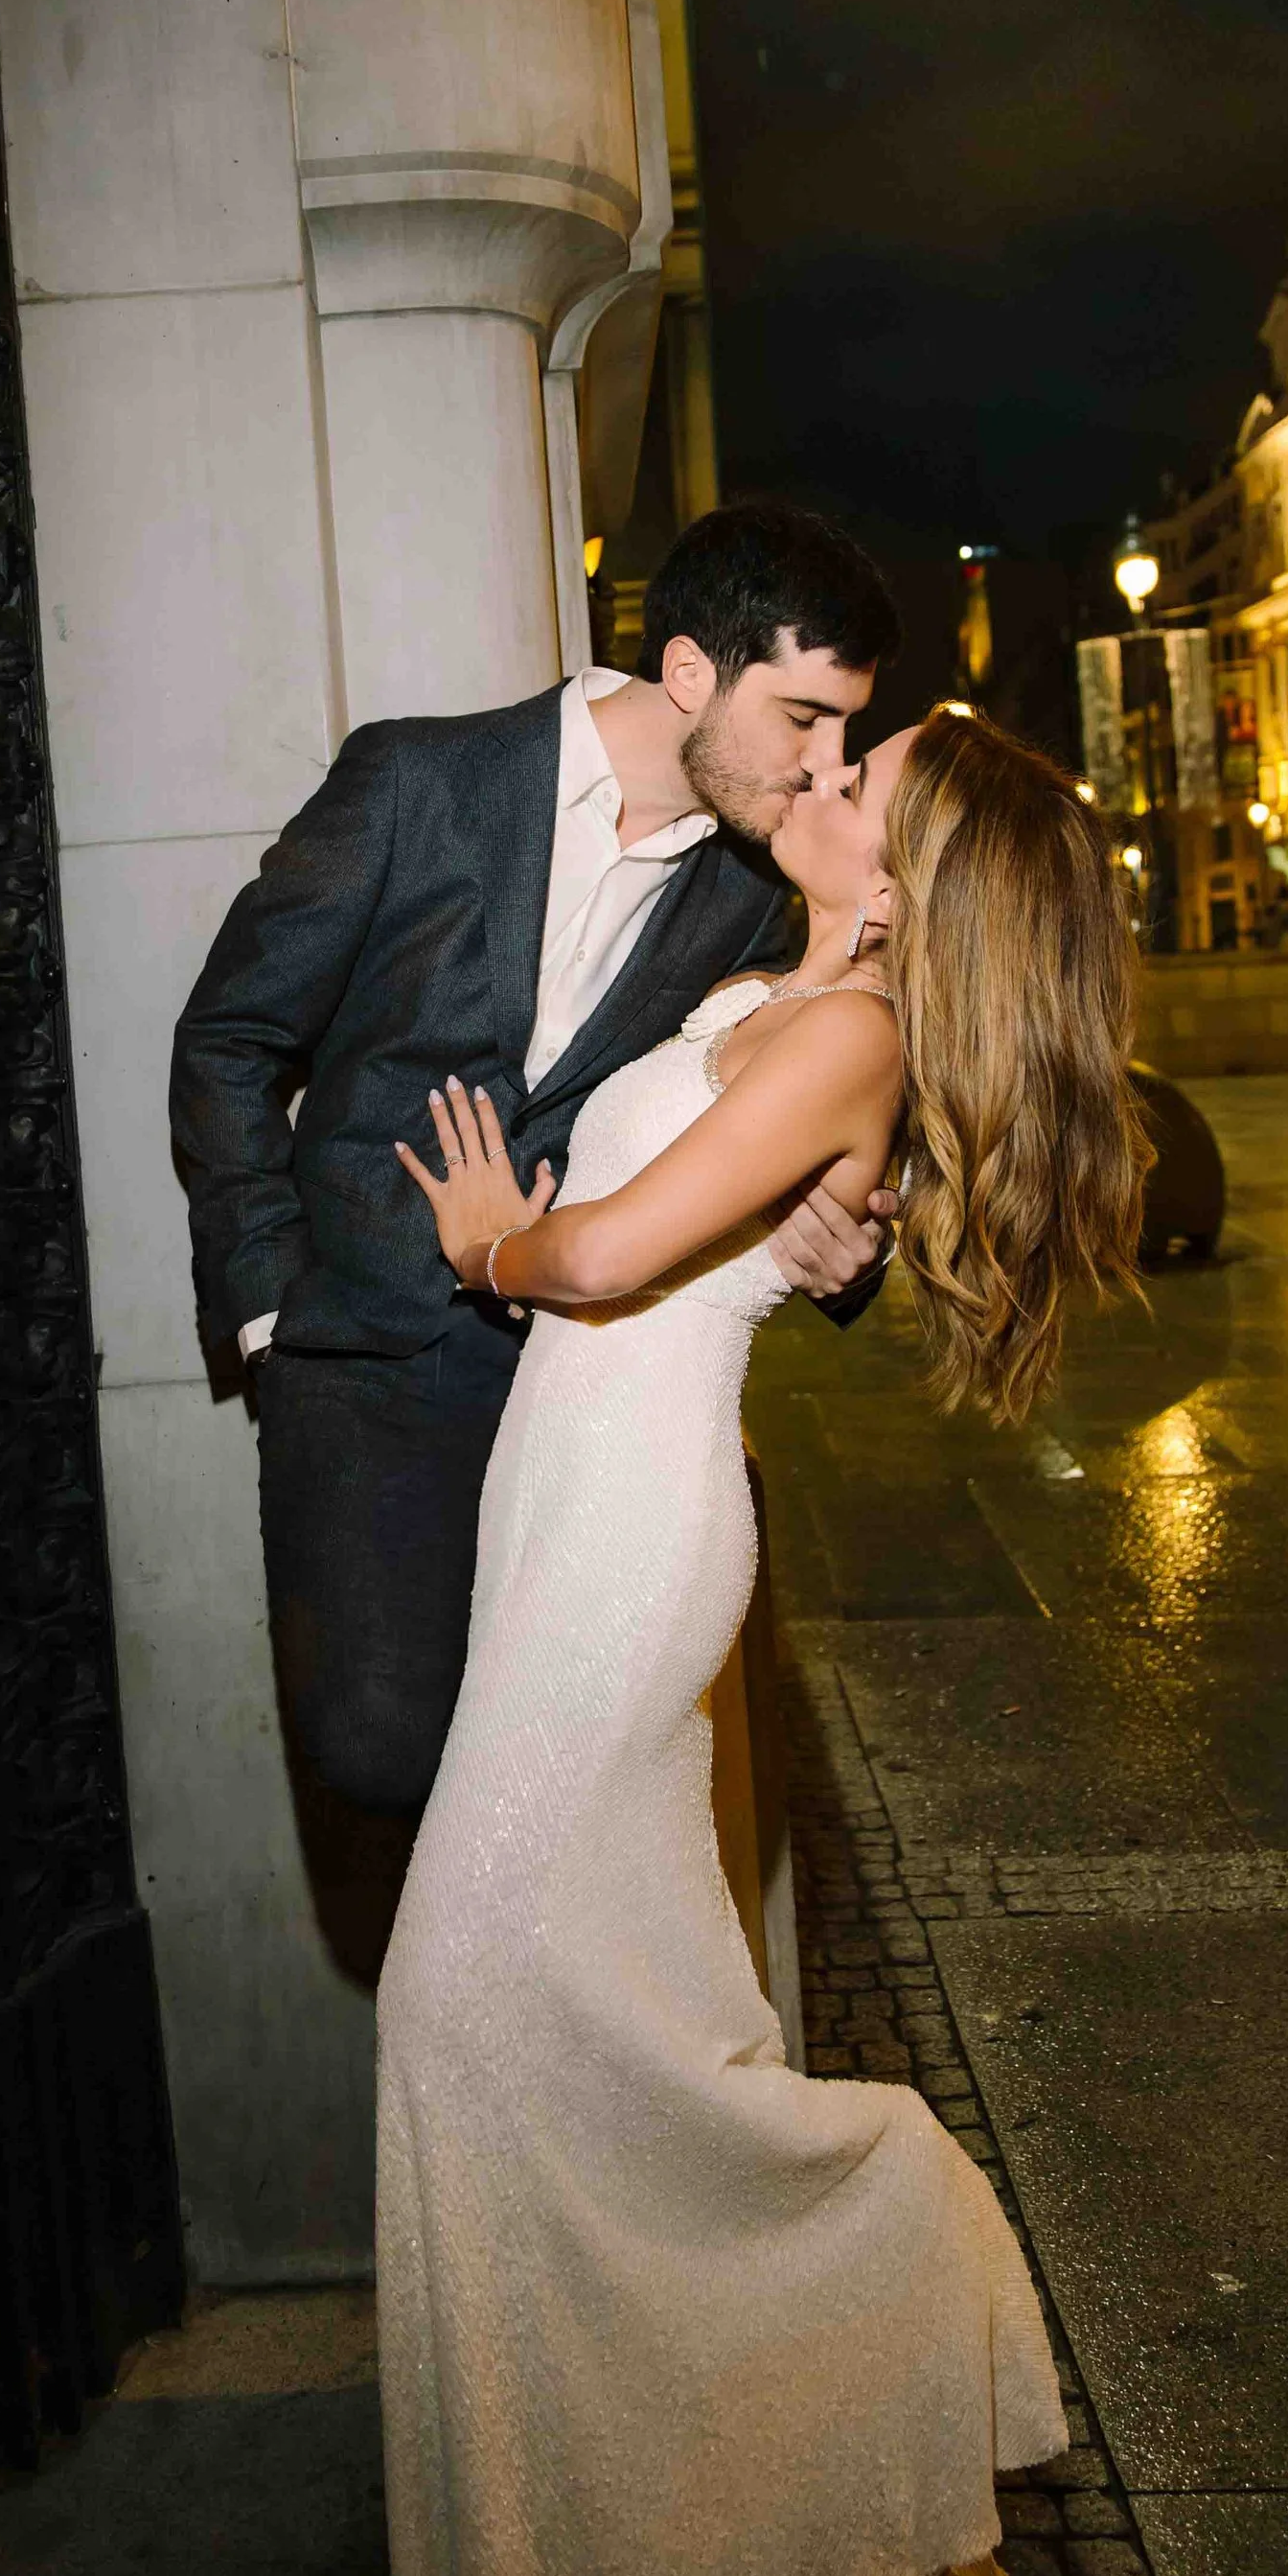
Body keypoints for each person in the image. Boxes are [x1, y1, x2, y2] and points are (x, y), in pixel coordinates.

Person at [380, 709, 1147, 2576]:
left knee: (456, 2001)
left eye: (854, 780)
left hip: (630, 1535)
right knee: (609, 2012)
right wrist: (791, 1218)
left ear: (904, 882)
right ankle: (723, 2509)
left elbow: (612, 1255)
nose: (816, 781)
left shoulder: (856, 1031)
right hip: (566, 1507)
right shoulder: (775, 992)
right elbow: (719, 1206)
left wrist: (491, 1244)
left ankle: (892, 2246)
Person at [170, 502, 903, 1818]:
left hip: (584, 1379)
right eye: (803, 717)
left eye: (844, 728)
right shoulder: (418, 782)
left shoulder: (758, 890)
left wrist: (847, 1235)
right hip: (366, 1367)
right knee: (379, 1752)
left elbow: (806, 1098)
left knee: (571, 1788)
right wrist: (274, 1315)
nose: (824, 763)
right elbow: (229, 1038)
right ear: (691, 671)